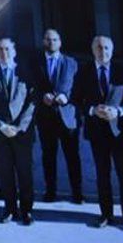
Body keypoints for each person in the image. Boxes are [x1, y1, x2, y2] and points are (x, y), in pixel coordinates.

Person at [73, 34, 123, 231]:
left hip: (119, 131)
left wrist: (118, 111)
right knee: (103, 174)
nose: (103, 52)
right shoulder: (83, 72)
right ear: (93, 50)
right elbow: (75, 100)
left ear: (112, 49)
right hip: (97, 132)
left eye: (107, 48)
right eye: (99, 48)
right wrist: (93, 110)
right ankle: (106, 214)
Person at [0, 38, 36, 225]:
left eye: (7, 49)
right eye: (0, 49)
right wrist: (2, 126)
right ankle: (9, 209)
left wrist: (19, 127)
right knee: (5, 172)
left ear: (14, 51)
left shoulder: (26, 72)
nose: (4, 53)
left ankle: (27, 210)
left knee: (24, 171)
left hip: (22, 132)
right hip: (0, 132)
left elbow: (32, 102)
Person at [31, 28, 82, 206]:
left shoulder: (72, 63)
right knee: (48, 156)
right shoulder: (35, 63)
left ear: (60, 42)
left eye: (54, 39)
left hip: (67, 117)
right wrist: (41, 96)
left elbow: (79, 89)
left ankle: (77, 192)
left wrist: (67, 97)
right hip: (45, 118)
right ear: (43, 42)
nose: (51, 43)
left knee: (72, 156)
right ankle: (50, 191)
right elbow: (30, 87)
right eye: (47, 39)